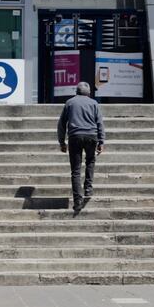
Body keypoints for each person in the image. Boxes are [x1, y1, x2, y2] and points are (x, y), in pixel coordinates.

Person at [57, 81, 105, 212]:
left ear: (76, 92)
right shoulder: (94, 103)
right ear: (89, 93)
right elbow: (100, 123)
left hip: (75, 136)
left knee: (76, 170)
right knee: (90, 161)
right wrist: (101, 141)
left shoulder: (70, 103)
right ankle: (88, 189)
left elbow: (61, 124)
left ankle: (77, 200)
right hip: (91, 136)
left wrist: (62, 142)